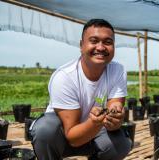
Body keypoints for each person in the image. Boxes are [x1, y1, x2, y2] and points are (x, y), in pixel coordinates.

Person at [30, 19, 131, 160]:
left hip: (95, 135)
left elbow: (114, 113)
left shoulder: (118, 71)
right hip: (64, 138)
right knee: (45, 130)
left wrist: (116, 119)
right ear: (81, 45)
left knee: (121, 143)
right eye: (94, 41)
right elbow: (73, 138)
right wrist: (94, 123)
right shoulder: (65, 77)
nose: (101, 47)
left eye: (108, 42)